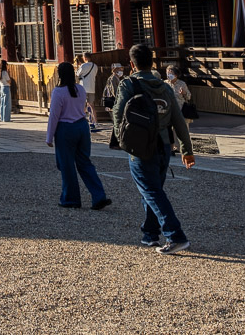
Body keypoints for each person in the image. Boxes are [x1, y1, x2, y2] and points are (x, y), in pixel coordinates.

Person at [112, 43, 196, 254]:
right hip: (164, 144)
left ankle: (175, 235)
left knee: (150, 190)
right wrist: (187, 149)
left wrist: (123, 140)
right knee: (153, 189)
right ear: (152, 63)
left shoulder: (128, 85)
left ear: (132, 64)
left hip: (140, 146)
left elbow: (117, 114)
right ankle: (150, 234)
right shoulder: (165, 87)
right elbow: (178, 118)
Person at [48, 61, 109, 209]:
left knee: (67, 165)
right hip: (81, 126)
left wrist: (49, 136)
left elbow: (54, 116)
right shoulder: (80, 89)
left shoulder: (58, 92)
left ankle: (71, 198)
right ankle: (98, 195)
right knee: (84, 163)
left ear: (60, 75)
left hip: (66, 128)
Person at [77, 52, 101, 128]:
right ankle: (96, 122)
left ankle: (82, 121)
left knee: (83, 105)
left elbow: (78, 74)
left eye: (83, 57)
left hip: (83, 87)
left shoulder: (83, 66)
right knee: (92, 106)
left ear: (86, 58)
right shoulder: (95, 66)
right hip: (92, 88)